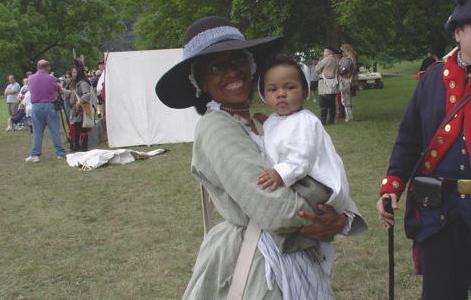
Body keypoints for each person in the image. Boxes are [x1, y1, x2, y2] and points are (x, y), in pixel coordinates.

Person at [156, 16, 368, 300]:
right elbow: (274, 210)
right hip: (256, 260)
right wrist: (330, 216)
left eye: (237, 61)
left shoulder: (267, 123)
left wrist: (342, 217)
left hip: (293, 255)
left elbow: (319, 168)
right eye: (216, 67)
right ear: (201, 82)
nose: (232, 72)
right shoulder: (216, 126)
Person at [377, 0, 471, 300]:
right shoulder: (431, 79)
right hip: (439, 213)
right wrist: (393, 185)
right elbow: (409, 140)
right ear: (459, 32)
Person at [256, 52, 350, 213]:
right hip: (294, 181)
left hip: (313, 184)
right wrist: (266, 123)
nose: (281, 93)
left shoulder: (305, 121)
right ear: (264, 95)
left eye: (290, 87)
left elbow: (302, 159)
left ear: (305, 93)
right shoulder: (274, 119)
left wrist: (280, 173)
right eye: (272, 89)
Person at [25, 60, 66, 162]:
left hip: (36, 106)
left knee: (37, 132)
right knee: (55, 131)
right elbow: (56, 89)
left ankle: (35, 154)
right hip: (49, 105)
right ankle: (60, 152)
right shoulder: (51, 78)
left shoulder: (31, 78)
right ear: (47, 67)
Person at [68, 60, 91, 152]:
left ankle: (83, 147)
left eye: (75, 72)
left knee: (82, 129)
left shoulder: (83, 83)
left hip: (82, 110)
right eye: (72, 72)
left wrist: (79, 102)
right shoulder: (76, 83)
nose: (72, 74)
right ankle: (77, 145)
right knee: (77, 128)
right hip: (76, 111)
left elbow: (87, 94)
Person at [316, 46, 340, 125]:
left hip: (325, 81)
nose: (324, 53)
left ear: (328, 52)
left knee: (324, 102)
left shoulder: (326, 59)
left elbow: (317, 69)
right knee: (332, 103)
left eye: (325, 51)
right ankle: (331, 120)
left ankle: (323, 120)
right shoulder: (336, 60)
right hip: (333, 82)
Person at [339, 44, 358, 122]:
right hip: (347, 80)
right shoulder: (351, 59)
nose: (343, 53)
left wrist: (338, 71)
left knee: (345, 99)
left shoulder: (348, 60)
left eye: (343, 52)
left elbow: (344, 70)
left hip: (345, 80)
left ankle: (349, 117)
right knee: (346, 99)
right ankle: (349, 116)